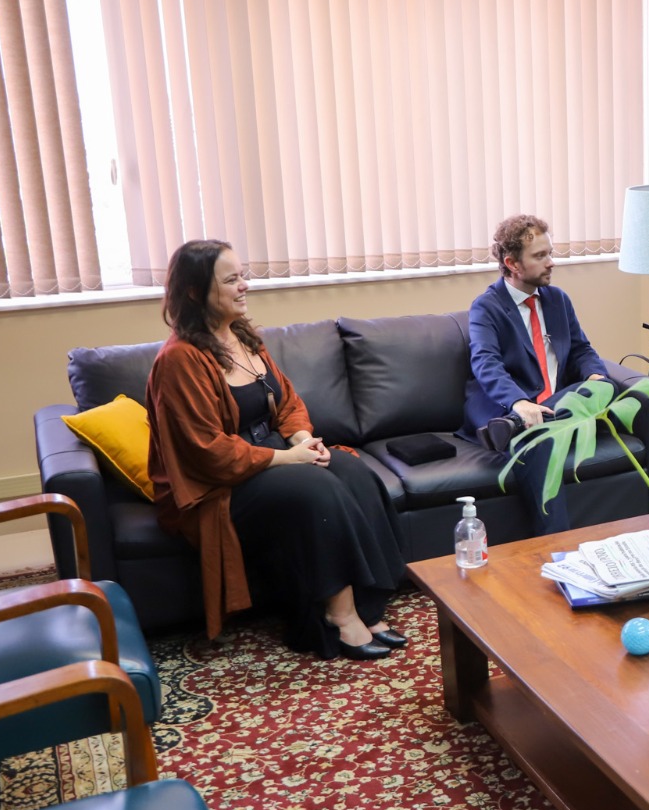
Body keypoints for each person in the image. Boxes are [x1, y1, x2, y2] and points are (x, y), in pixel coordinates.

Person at [146, 239, 407, 661]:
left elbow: (286, 403)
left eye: (242, 275)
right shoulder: (179, 361)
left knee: (355, 473)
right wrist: (287, 458)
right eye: (231, 279)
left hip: (268, 455)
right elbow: (206, 451)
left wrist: (303, 441)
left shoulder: (244, 337)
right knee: (317, 490)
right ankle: (336, 619)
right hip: (217, 484)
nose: (244, 285)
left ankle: (368, 605)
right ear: (195, 292)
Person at [463, 214, 606, 535]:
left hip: (555, 406)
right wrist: (518, 403)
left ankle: (518, 427)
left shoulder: (557, 300)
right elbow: (486, 362)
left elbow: (582, 350)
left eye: (550, 253)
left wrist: (595, 376)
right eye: (540, 256)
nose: (551, 262)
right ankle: (557, 547)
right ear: (512, 263)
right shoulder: (487, 307)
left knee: (600, 388)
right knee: (539, 438)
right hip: (513, 406)